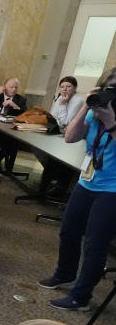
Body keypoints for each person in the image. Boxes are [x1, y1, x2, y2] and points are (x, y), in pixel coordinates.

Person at [39, 72, 116, 311]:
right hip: (86, 182)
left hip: (112, 189)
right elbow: (71, 137)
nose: (111, 93)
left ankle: (81, 297)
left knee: (95, 243)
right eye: (109, 87)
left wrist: (112, 121)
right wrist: (87, 106)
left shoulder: (110, 117)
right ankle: (64, 273)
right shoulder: (95, 112)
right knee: (69, 231)